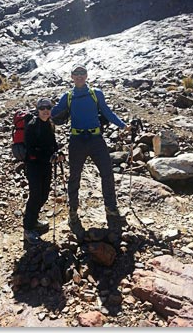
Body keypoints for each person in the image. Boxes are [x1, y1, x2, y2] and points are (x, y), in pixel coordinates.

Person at [51, 64, 131, 236]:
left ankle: (111, 208)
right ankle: (73, 211)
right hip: (77, 140)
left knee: (107, 172)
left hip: (96, 139)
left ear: (86, 76)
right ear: (72, 77)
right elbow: (54, 112)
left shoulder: (96, 94)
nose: (79, 77)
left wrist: (123, 125)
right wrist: (40, 113)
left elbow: (107, 112)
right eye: (76, 74)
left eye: (82, 73)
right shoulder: (68, 96)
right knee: (74, 176)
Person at [23, 97, 59, 245]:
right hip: (33, 166)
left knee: (44, 195)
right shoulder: (32, 126)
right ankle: (28, 229)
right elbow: (30, 150)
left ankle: (34, 220)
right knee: (35, 195)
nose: (45, 111)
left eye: (48, 108)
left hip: (46, 165)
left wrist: (58, 152)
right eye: (42, 108)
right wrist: (48, 156)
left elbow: (53, 144)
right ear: (37, 110)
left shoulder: (50, 124)